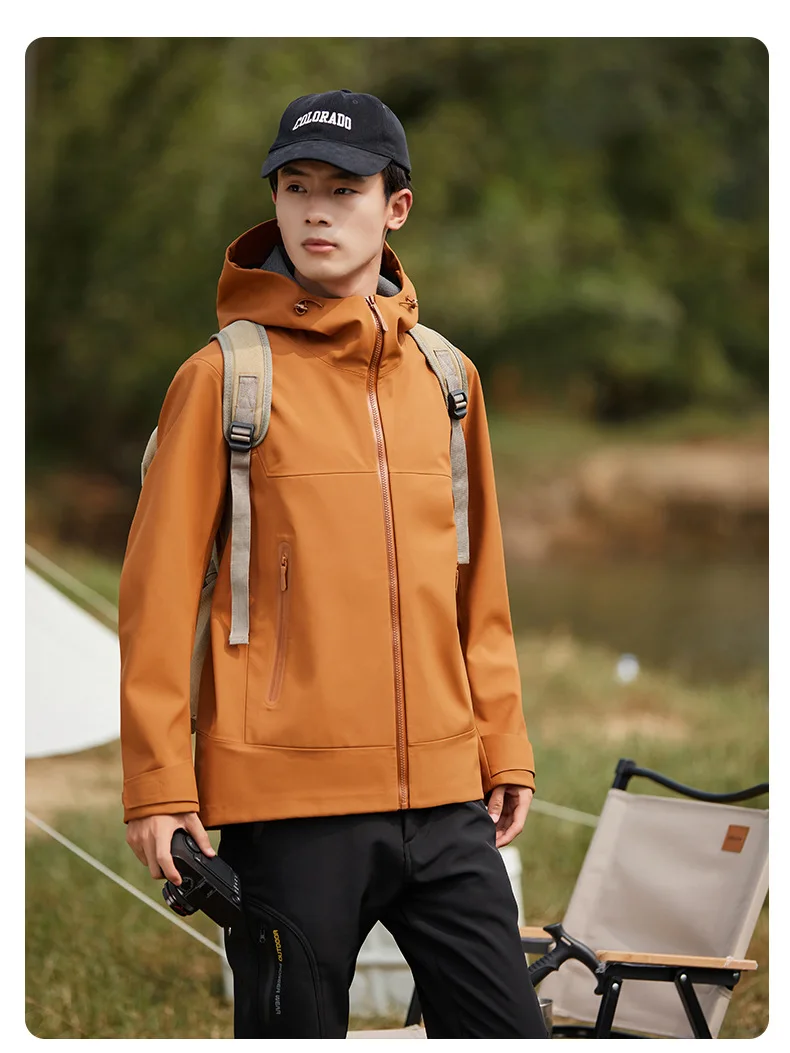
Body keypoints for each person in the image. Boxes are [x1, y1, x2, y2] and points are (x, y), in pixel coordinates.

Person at [119, 88, 547, 1039]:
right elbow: (155, 599)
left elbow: (478, 585)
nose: (317, 210)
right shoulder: (223, 378)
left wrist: (502, 741)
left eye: (345, 189)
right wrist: (158, 785)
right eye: (297, 186)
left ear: (396, 207)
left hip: (447, 801)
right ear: (274, 200)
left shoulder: (447, 378)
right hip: (288, 806)